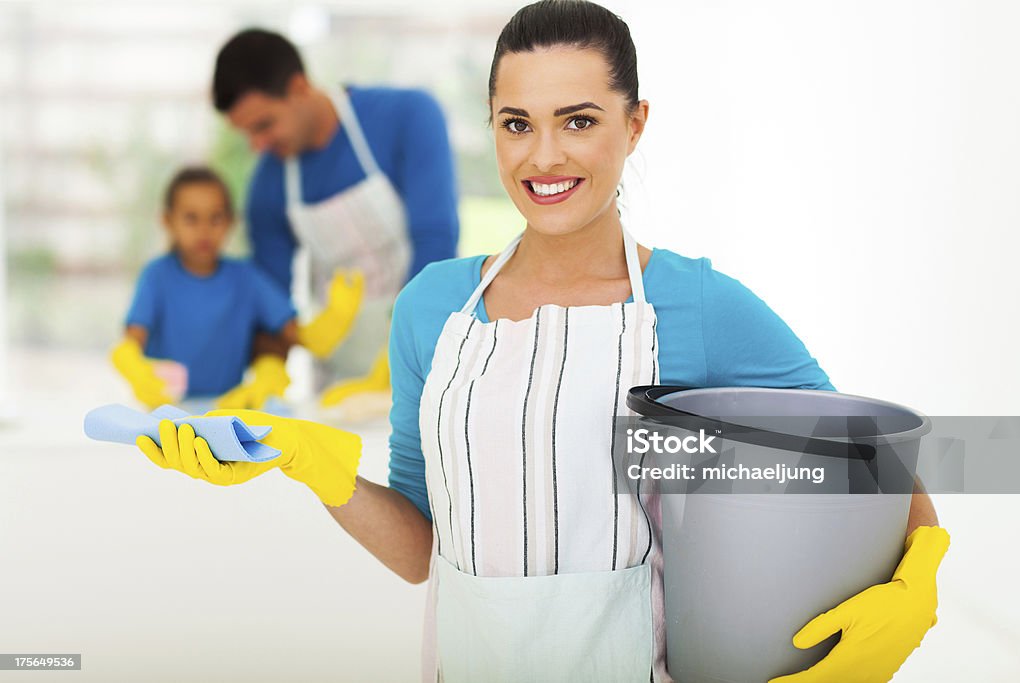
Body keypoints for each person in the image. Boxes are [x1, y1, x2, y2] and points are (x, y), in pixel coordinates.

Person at [134, 2, 950, 681]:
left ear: (635, 126)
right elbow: (422, 549)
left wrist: (921, 572)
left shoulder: (696, 304)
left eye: (580, 121)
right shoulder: (432, 311)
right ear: (491, 125)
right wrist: (312, 465)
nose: (544, 155)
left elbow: (869, 455)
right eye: (517, 123)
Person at [212, 29, 459, 404]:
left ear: (298, 87)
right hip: (337, 387)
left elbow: (436, 241)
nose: (257, 145)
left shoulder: (408, 117)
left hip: (428, 359)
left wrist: (404, 356)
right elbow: (273, 304)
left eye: (264, 125)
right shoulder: (268, 186)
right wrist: (267, 372)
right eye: (247, 133)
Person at [111, 166, 362, 410]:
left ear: (231, 221)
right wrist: (132, 366)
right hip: (165, 411)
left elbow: (294, 333)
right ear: (168, 221)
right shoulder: (157, 277)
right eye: (191, 218)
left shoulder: (247, 278)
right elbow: (132, 341)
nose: (204, 230)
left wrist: (334, 319)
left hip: (229, 412)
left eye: (216, 218)